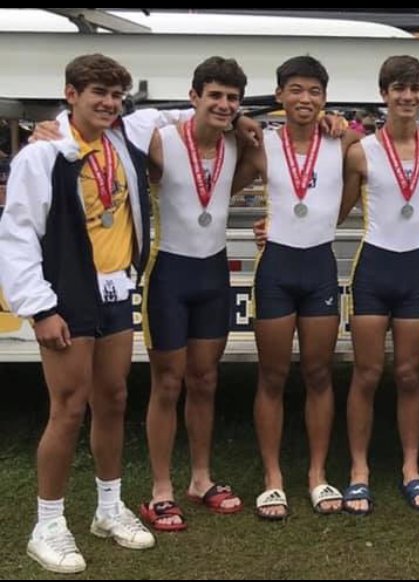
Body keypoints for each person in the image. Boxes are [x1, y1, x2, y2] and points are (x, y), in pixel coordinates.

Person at [0, 53, 159, 574]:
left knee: (113, 399)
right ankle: (47, 524)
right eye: (98, 94)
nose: (109, 104)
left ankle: (108, 510)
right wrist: (39, 307)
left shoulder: (122, 140)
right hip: (66, 294)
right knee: (68, 407)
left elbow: (184, 113)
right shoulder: (41, 156)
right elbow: (17, 234)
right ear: (71, 95)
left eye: (116, 96)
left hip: (116, 292)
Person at [234, 56, 359, 520]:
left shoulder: (342, 138)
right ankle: (273, 479)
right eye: (296, 90)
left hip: (319, 267)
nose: (306, 100)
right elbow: (222, 180)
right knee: (271, 375)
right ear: (281, 95)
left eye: (314, 92)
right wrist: (243, 118)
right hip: (277, 269)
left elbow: (372, 166)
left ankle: (317, 474)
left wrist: (333, 218)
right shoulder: (261, 143)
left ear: (325, 98)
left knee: (319, 374)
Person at [136, 57, 248, 531]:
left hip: (212, 273)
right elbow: (117, 127)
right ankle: (161, 490)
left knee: (205, 380)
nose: (224, 105)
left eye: (232, 98)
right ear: (194, 96)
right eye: (215, 95)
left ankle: (200, 479)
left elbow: (239, 181)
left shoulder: (237, 145)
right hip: (170, 275)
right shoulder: (161, 142)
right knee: (168, 383)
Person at [339, 55, 419, 512]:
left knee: (408, 375)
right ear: (384, 94)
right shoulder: (361, 151)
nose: (407, 96)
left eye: (415, 88)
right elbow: (337, 210)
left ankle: (410, 467)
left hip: (414, 271)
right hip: (374, 269)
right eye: (398, 88)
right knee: (366, 373)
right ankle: (359, 470)